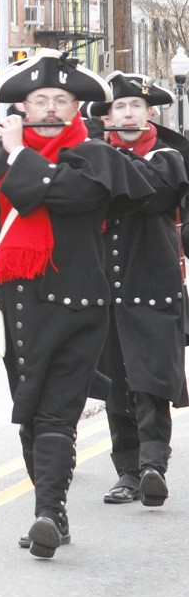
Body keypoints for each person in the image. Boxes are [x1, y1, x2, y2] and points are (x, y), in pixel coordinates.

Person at [0, 49, 154, 559]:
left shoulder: (94, 153)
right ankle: (49, 509)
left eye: (62, 100)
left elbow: (63, 196)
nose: (52, 108)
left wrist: (16, 156)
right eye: (41, 100)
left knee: (58, 413)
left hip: (78, 302)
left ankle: (49, 512)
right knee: (31, 411)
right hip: (18, 305)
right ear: (24, 106)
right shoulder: (0, 154)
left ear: (76, 105)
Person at [86, 71, 189, 507]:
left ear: (150, 114)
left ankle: (153, 465)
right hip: (104, 288)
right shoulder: (93, 158)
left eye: (135, 107)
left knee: (152, 380)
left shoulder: (168, 157)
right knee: (116, 385)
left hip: (153, 283)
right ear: (108, 115)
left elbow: (151, 192)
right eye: (118, 107)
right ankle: (126, 472)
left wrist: (99, 156)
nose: (127, 114)